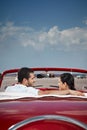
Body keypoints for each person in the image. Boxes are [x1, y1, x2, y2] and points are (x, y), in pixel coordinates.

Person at [5, 67, 84, 96]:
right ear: (25, 80)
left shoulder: (8, 89)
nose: (34, 81)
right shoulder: (29, 90)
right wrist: (69, 91)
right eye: (32, 79)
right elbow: (45, 93)